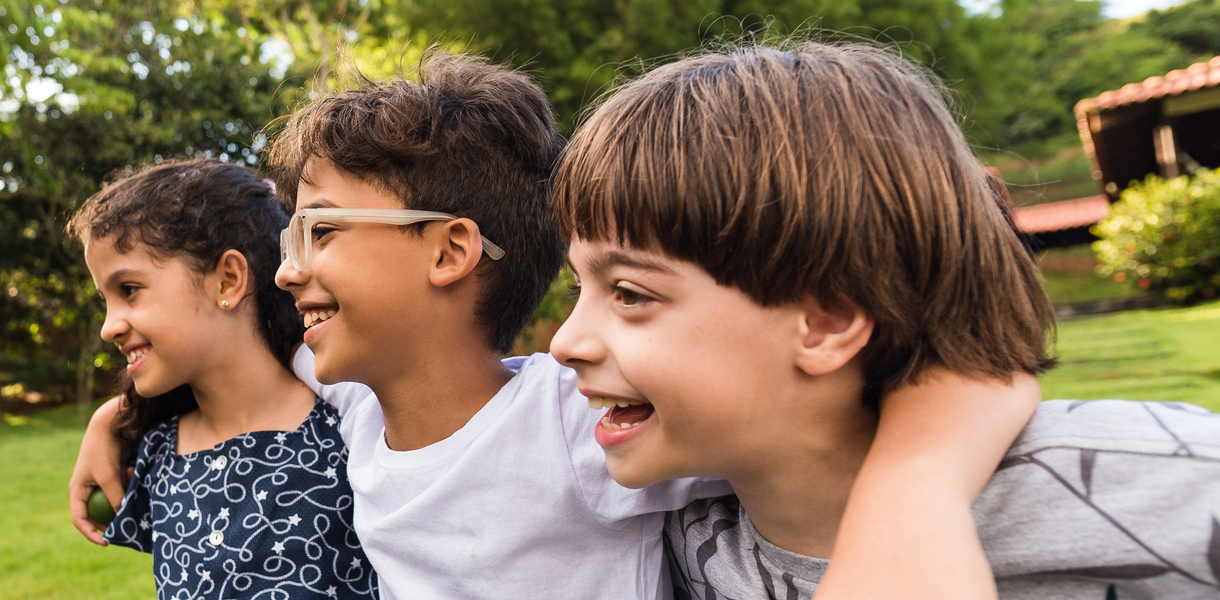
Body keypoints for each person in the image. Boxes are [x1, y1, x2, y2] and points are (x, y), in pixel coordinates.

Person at [77, 49, 1042, 600]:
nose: (290, 267)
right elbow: (230, 362)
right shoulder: (352, 400)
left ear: (451, 253)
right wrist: (117, 419)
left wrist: (941, 422)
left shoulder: (576, 423)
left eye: (321, 228)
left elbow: (837, 393)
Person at [548, 40, 1220, 599]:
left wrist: (917, 481)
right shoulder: (668, 530)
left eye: (631, 293)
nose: (565, 342)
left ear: (829, 322)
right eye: (579, 284)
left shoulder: (1168, 483)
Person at [66, 159, 376, 600]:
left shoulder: (352, 434)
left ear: (228, 280)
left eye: (129, 290)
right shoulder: (156, 452)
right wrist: (111, 421)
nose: (109, 327)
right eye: (106, 300)